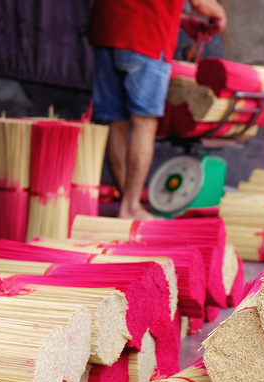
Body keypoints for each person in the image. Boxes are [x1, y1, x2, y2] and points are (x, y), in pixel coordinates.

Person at [90, 0, 226, 220]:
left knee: (117, 122)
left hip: (107, 27)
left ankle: (127, 201)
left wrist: (180, 20)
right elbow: (201, 3)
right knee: (144, 123)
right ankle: (131, 207)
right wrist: (218, 12)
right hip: (146, 34)